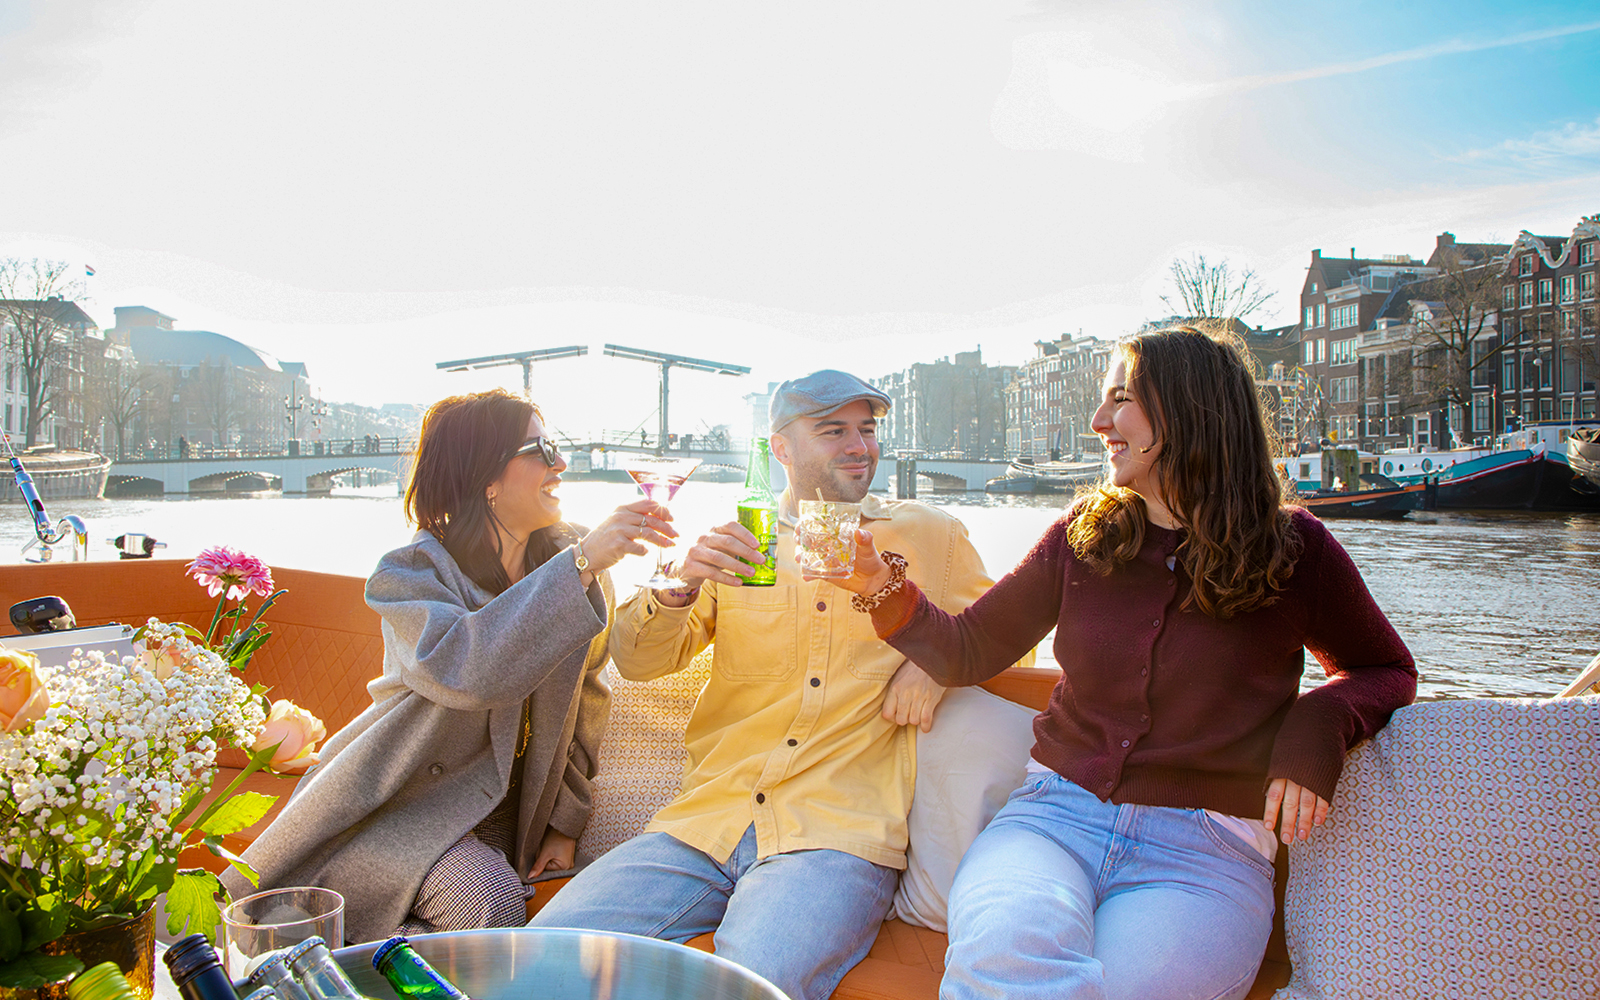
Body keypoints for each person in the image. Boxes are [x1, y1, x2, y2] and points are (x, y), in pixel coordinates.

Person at [818, 328, 1417, 1000]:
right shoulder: (1083, 534)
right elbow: (968, 650)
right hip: (1051, 821)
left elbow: (1384, 668)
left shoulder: (1296, 548)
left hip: (1205, 853)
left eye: (1121, 400)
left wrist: (1321, 719)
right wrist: (878, 584)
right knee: (1000, 963)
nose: (1099, 422)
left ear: (1189, 411)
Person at [531, 370, 1016, 1000]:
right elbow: (642, 660)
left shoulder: (929, 535)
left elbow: (1003, 632)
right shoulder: (740, 538)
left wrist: (937, 662)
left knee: (750, 987)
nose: (858, 445)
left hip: (833, 836)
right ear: (780, 450)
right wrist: (679, 583)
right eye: (833, 430)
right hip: (703, 823)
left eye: (866, 430)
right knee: (540, 958)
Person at [224, 389, 674, 944]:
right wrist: (581, 564)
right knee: (491, 902)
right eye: (540, 448)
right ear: (485, 476)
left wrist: (565, 820)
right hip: (401, 810)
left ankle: (351, 965)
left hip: (506, 820)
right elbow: (467, 670)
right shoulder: (410, 574)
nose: (560, 463)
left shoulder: (573, 564)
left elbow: (587, 696)